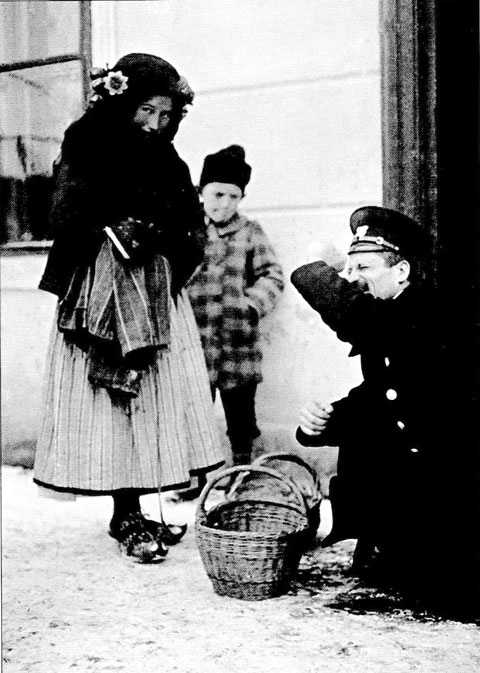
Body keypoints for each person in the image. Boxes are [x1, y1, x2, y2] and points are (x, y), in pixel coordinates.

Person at [34, 53, 224, 563]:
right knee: (113, 400)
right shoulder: (86, 144)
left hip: (155, 297)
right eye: (146, 110)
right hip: (98, 297)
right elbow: (64, 214)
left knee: (153, 399)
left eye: (166, 114)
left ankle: (138, 508)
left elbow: (189, 222)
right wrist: (111, 232)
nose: (156, 124)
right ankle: (125, 514)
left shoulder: (168, 158)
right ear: (122, 104)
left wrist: (161, 242)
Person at [291, 205, 443, 590]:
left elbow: (355, 317)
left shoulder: (426, 311)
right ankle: (380, 540)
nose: (353, 278)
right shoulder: (389, 313)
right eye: (349, 268)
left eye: (364, 267)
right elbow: (381, 394)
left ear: (401, 271)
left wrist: (318, 268)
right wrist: (323, 422)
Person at [187, 145, 284, 475]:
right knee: (194, 414)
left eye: (234, 196)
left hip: (237, 345)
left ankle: (242, 474)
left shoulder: (250, 232)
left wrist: (251, 304)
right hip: (194, 342)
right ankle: (196, 480)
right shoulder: (189, 231)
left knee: (241, 417)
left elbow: (272, 274)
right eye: (217, 194)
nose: (225, 203)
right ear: (201, 192)